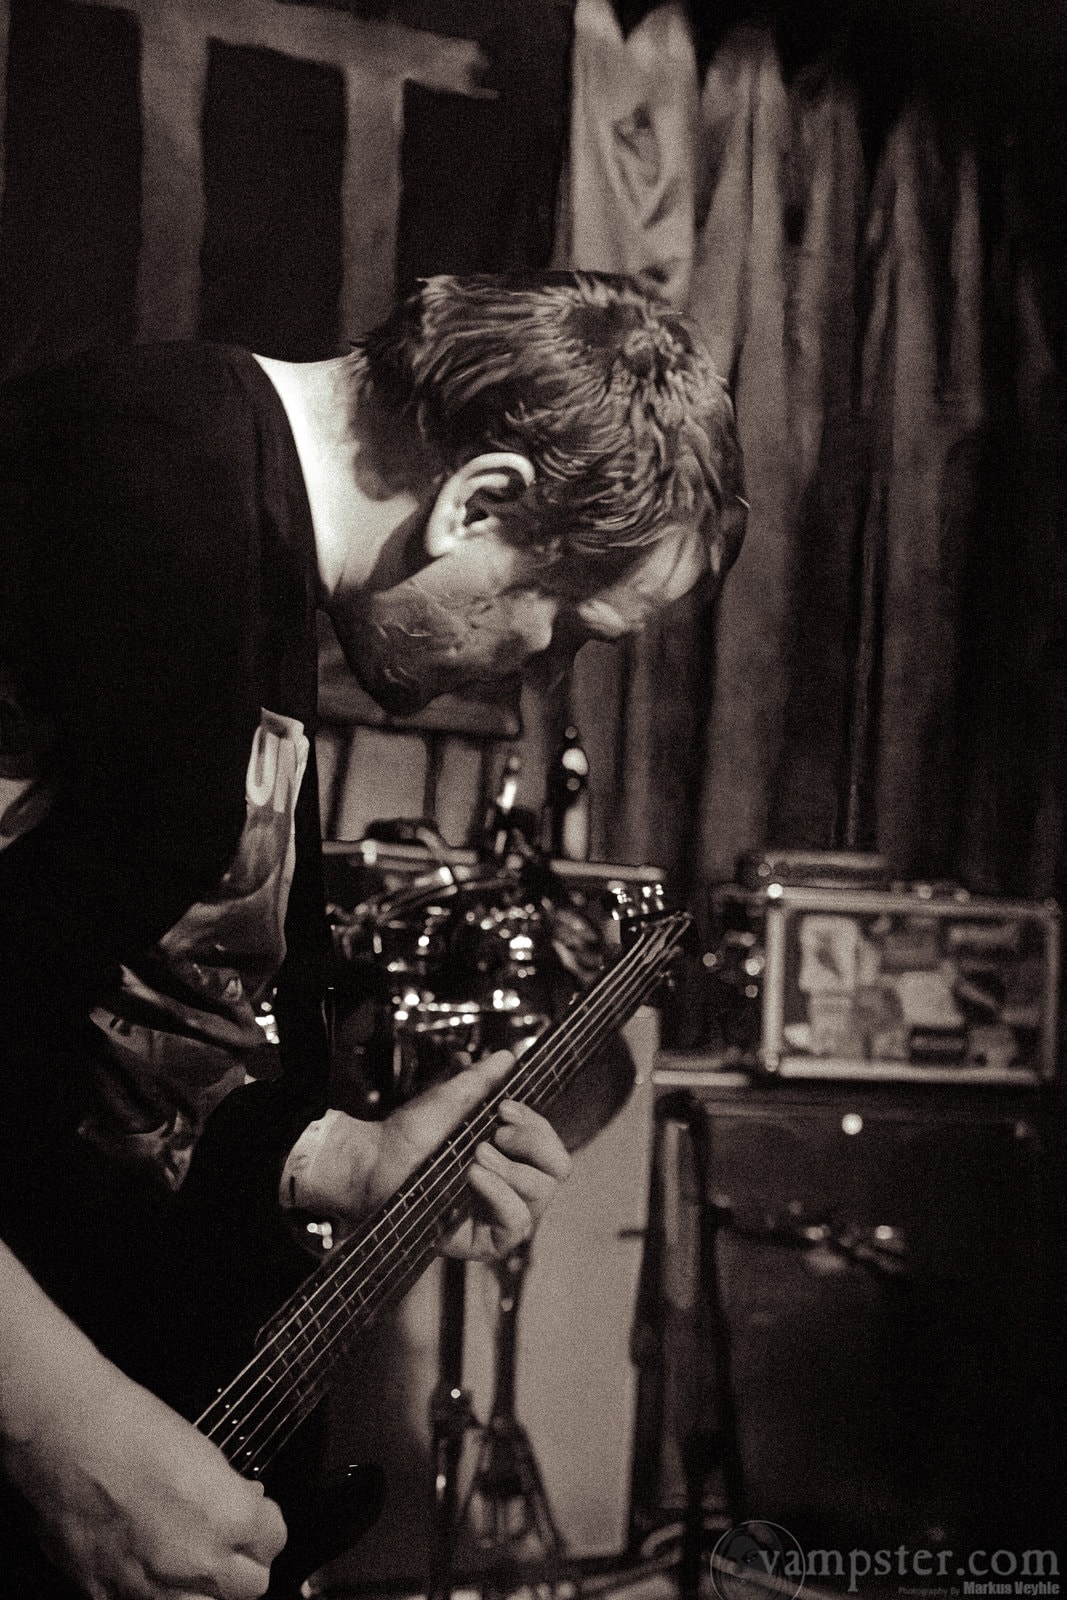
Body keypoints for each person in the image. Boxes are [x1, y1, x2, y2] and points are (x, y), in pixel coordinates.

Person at [0, 270, 745, 1599]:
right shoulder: (129, 496)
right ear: (482, 502)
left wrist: (342, 1155)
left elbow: (103, 1026)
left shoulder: (260, 562)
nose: (541, 676)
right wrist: (67, 1435)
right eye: (566, 624)